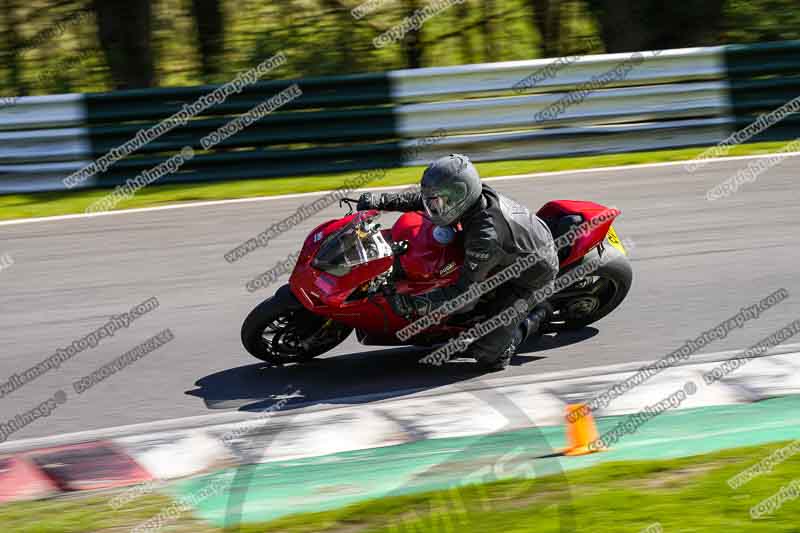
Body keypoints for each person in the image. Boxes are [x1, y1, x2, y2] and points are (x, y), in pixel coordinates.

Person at [357, 154, 558, 370]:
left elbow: (465, 297)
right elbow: (423, 201)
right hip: (510, 248)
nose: (433, 206)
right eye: (433, 200)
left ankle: (539, 314)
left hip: (531, 276)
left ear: (461, 195)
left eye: (438, 201)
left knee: (488, 355)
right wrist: (381, 201)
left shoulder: (485, 236)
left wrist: (411, 303)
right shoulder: (471, 200)